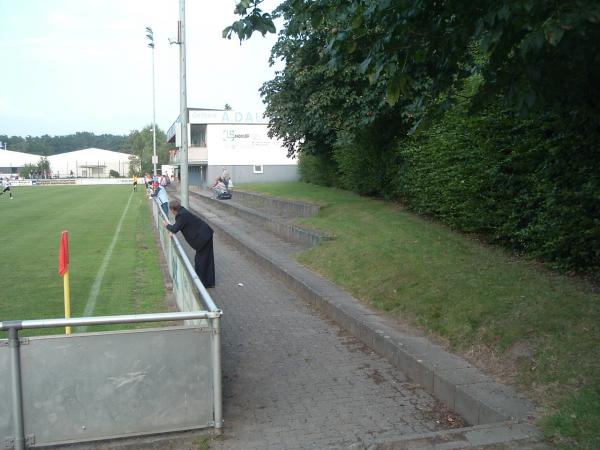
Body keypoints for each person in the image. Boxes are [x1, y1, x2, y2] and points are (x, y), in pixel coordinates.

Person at [164, 200, 215, 288]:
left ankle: (202, 283)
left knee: (201, 261)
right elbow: (179, 226)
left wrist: (166, 225)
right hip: (206, 234)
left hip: (203, 238)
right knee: (207, 259)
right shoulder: (182, 212)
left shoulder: (181, 215)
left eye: (171, 210)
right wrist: (173, 230)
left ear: (173, 210)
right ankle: (208, 282)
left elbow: (175, 228)